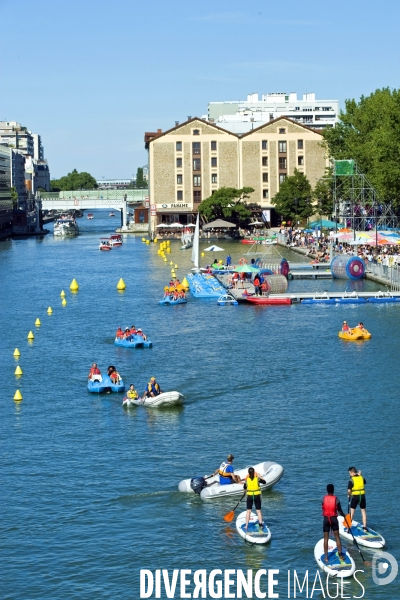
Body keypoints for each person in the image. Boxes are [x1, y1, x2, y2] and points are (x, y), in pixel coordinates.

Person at [322, 484, 346, 563]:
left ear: (327, 490)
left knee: (326, 538)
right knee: (337, 537)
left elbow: (323, 507)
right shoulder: (336, 499)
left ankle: (326, 557)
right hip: (334, 519)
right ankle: (341, 555)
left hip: (326, 519)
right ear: (333, 490)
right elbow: (339, 511)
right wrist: (344, 516)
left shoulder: (323, 499)